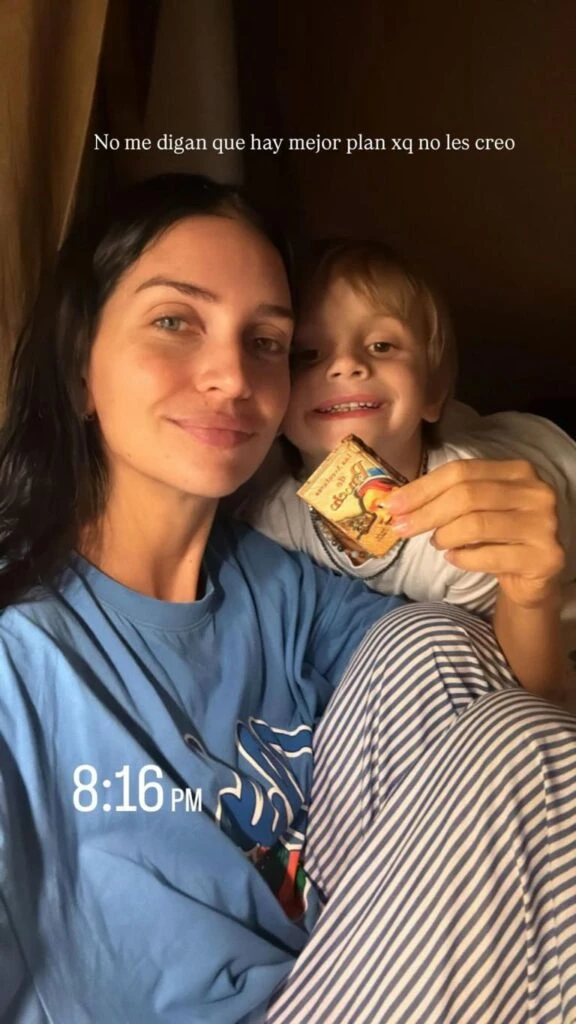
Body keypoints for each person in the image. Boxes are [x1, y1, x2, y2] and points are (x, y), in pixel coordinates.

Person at [0, 174, 574, 1024]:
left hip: (358, 974)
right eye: (174, 321)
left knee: (436, 642)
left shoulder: (284, 583)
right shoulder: (20, 652)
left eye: (266, 341)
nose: (232, 375)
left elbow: (516, 737)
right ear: (80, 367)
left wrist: (532, 594)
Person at [247, 239, 576, 694]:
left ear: (432, 392)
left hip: (555, 448)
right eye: (308, 354)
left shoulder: (467, 536)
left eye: (381, 345)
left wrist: (527, 603)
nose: (346, 364)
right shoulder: (274, 519)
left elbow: (533, 683)